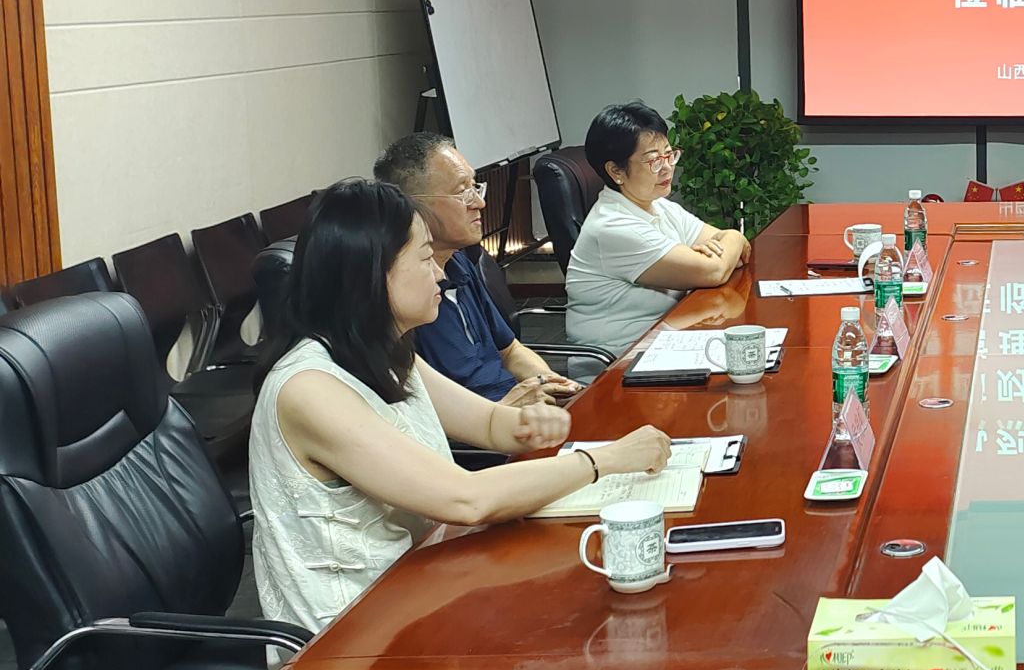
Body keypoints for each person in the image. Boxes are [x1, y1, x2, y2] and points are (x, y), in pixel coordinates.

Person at [249, 178, 672, 633]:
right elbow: (466, 500)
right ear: (371, 274)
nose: (440, 274)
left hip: (419, 582)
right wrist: (605, 461)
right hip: (350, 634)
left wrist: (527, 424)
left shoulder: (382, 349)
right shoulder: (310, 388)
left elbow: (487, 423)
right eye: (424, 257)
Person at [374, 132, 583, 402]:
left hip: (514, 411)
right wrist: (507, 411)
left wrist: (551, 384)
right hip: (484, 422)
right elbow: (429, 410)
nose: (479, 202)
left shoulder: (459, 260)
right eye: (462, 192)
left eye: (475, 187)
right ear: (412, 204)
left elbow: (510, 350)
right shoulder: (401, 295)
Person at [566, 102, 751, 352]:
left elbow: (729, 254)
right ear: (616, 171)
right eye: (653, 160)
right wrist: (735, 238)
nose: (667, 167)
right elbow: (715, 270)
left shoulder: (659, 206)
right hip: (621, 357)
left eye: (669, 154)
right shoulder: (612, 227)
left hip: (667, 337)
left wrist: (727, 241)